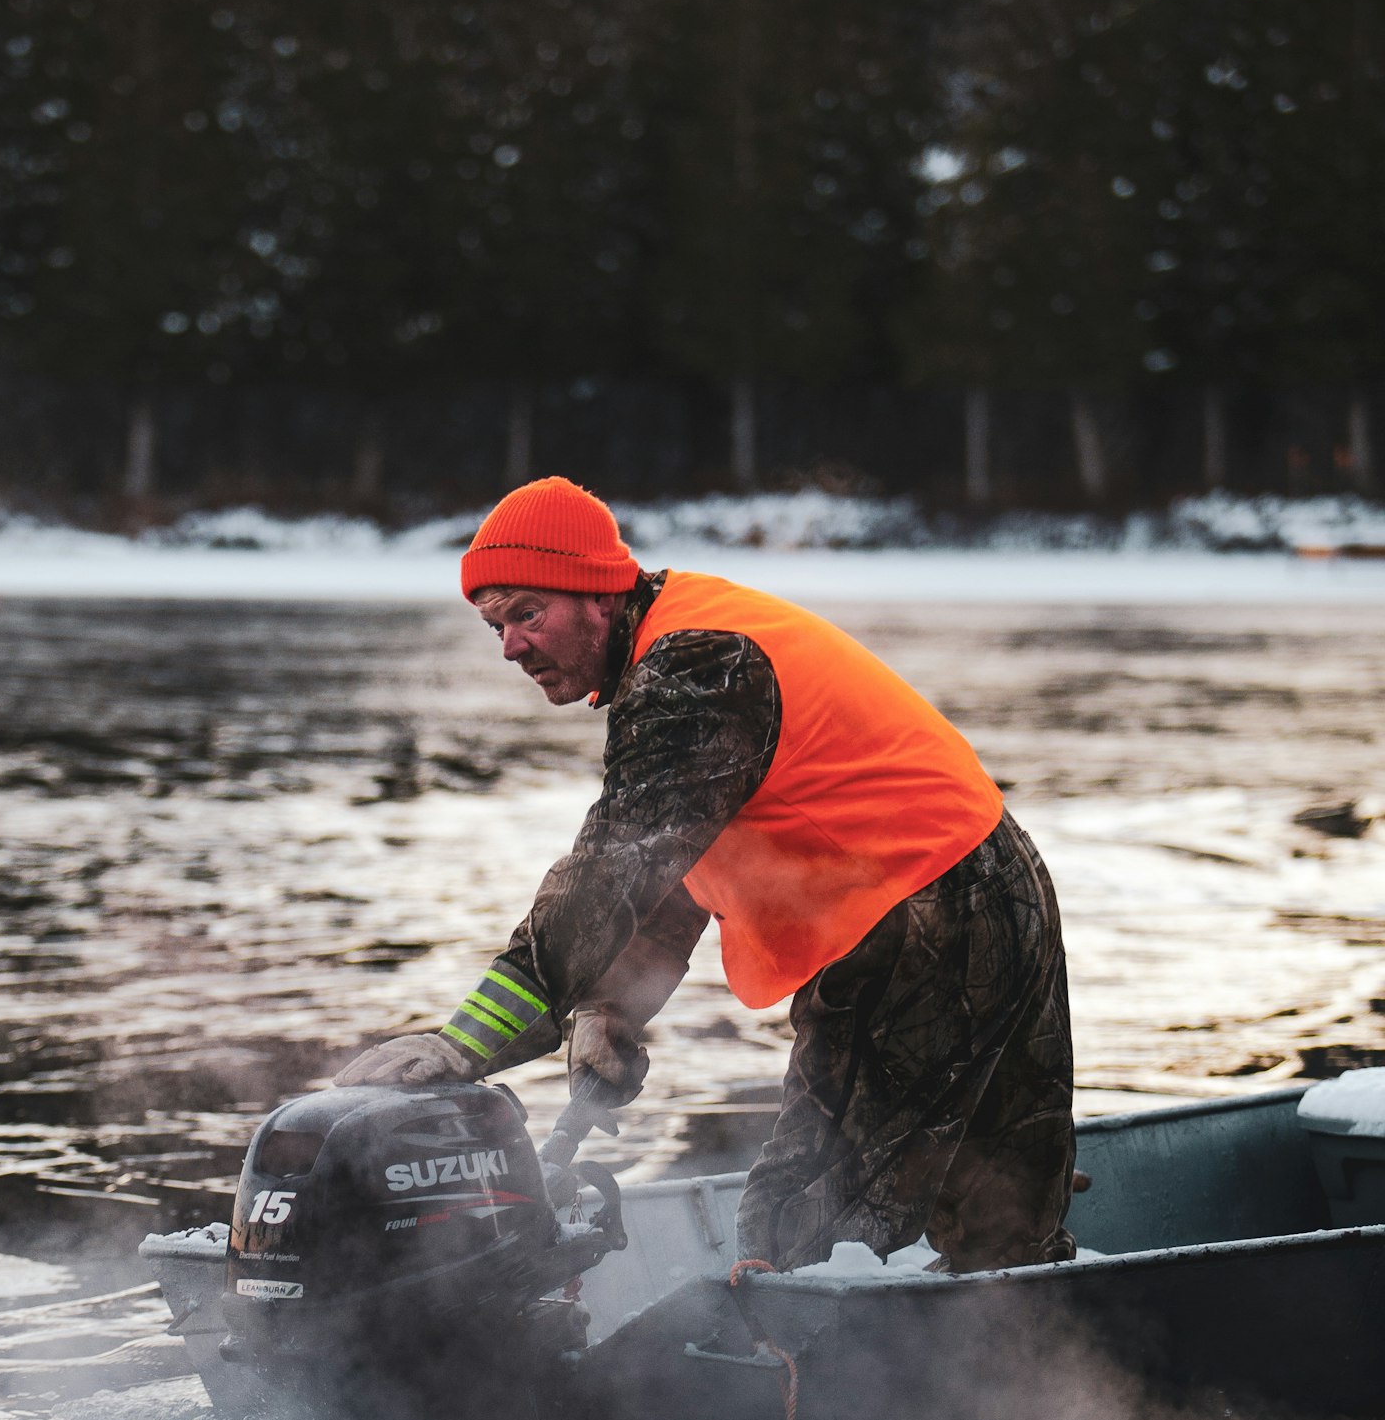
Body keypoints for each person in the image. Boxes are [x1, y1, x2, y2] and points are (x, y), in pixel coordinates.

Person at [339, 476, 1075, 1274]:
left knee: (802, 1230)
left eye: (527, 612)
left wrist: (467, 1044)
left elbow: (614, 869)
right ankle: (1026, 1365)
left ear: (598, 594)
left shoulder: (697, 666)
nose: (511, 646)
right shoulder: (686, 641)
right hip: (988, 881)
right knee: (1000, 1206)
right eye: (495, 625)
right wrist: (612, 1006)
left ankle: (805, 1382)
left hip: (920, 920)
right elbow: (677, 860)